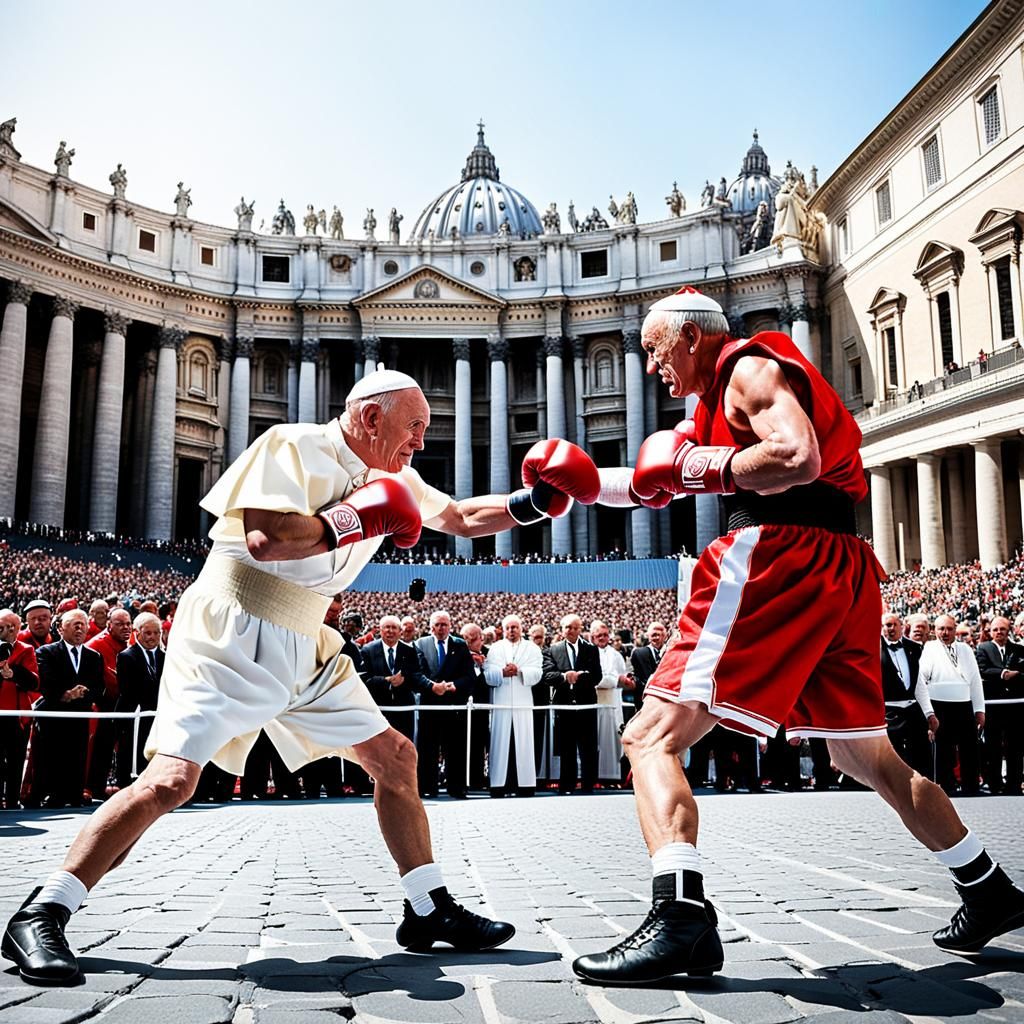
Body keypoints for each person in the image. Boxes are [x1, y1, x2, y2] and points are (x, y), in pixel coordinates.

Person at [1, 369, 601, 985]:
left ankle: (427, 908)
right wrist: (355, 519)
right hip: (232, 625)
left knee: (395, 759)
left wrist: (532, 505)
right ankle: (44, 910)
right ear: (372, 417)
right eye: (414, 426)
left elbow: (457, 516)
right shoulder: (291, 444)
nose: (421, 441)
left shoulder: (395, 476)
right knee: (171, 781)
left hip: (308, 638)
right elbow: (265, 539)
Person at [570, 286, 1024, 985]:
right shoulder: (712, 404)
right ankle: (985, 884)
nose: (652, 365)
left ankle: (680, 917)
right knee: (861, 754)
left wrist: (704, 469)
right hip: (842, 564)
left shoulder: (748, 370)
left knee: (649, 736)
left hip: (778, 551)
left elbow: (796, 456)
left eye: (656, 349)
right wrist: (570, 485)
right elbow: (654, 485)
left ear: (691, 338)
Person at [34, 610, 104, 810]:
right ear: (60, 628)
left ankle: (74, 793)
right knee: (53, 755)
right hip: (54, 715)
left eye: (83, 624)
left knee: (78, 753)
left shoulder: (94, 656)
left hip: (80, 714)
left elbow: (98, 686)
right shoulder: (46, 652)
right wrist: (65, 694)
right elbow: (46, 682)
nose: (80, 628)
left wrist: (81, 694)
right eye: (74, 624)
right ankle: (52, 794)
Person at [920, 615, 985, 795]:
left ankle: (971, 786)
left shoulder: (965, 649)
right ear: (934, 630)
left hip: (964, 705)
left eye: (949, 629)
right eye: (941, 629)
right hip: (939, 705)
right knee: (944, 749)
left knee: (970, 748)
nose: (945, 633)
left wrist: (980, 709)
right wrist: (928, 711)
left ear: (955, 629)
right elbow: (922, 677)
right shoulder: (930, 648)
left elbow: (975, 680)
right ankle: (946, 787)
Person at [413, 610, 475, 798]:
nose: (441, 628)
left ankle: (456, 787)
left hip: (453, 707)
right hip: (429, 705)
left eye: (444, 624)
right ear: (431, 626)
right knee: (427, 748)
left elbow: (469, 676)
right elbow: (416, 674)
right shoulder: (420, 644)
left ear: (450, 626)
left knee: (455, 748)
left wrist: (454, 686)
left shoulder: (460, 645)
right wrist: (432, 687)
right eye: (438, 625)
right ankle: (426, 787)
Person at [484, 615, 543, 797]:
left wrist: (519, 671)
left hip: (523, 701)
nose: (512, 631)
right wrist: (502, 672)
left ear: (521, 628)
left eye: (515, 627)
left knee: (524, 742)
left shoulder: (532, 648)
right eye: (508, 628)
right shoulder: (495, 649)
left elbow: (538, 671)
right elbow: (488, 673)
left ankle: (525, 785)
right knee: (500, 742)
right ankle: (498, 785)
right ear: (503, 629)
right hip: (501, 701)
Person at [543, 614, 600, 794]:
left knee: (588, 747)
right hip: (564, 706)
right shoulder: (552, 650)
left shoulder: (591, 649)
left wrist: (579, 676)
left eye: (575, 627)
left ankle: (588, 785)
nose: (572, 631)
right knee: (566, 748)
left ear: (580, 629)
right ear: (562, 629)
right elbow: (547, 676)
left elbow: (597, 675)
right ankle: (566, 785)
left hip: (586, 705)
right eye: (568, 627)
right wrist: (564, 676)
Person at [881, 612, 936, 779]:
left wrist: (929, 713)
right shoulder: (873, 649)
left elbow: (919, 683)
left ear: (902, 626)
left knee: (922, 756)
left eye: (893, 625)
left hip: (913, 710)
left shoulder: (914, 648)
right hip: (888, 711)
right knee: (893, 759)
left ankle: (924, 792)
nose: (890, 629)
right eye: (886, 625)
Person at [360, 615, 429, 742]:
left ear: (400, 632)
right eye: (387, 627)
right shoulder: (368, 650)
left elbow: (416, 677)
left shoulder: (409, 651)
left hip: (403, 712)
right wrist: (386, 680)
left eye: (394, 628)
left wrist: (405, 679)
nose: (390, 631)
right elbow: (364, 679)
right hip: (378, 710)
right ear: (380, 630)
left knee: (402, 749)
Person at [974, 616, 1022, 794]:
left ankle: (1014, 784)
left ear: (1008, 630)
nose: (999, 632)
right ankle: (994, 784)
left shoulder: (1019, 649)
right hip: (993, 706)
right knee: (993, 747)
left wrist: (1014, 674)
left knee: (1015, 747)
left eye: (1002, 629)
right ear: (990, 631)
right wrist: (1003, 674)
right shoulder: (983, 648)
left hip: (1016, 707)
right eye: (995, 629)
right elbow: (982, 669)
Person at [114, 612, 164, 779]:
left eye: (157, 633)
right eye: (148, 633)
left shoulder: (166, 658)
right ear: (137, 633)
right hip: (134, 717)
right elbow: (128, 690)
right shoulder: (126, 656)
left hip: (158, 717)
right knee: (131, 755)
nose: (153, 637)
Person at [0, 609, 39, 810]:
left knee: (16, 759)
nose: (6, 631)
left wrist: (13, 673)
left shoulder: (26, 650)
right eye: (1, 627)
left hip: (16, 715)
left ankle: (13, 800)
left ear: (18, 628)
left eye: (11, 627)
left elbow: (33, 681)